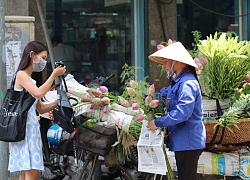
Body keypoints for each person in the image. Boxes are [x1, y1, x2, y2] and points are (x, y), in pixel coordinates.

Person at [147, 42, 206, 180]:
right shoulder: (178, 82)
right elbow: (162, 96)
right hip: (183, 141)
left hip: (188, 141)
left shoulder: (187, 83)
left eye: (166, 60)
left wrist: (158, 122)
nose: (164, 64)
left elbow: (182, 113)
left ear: (178, 61)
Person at [8, 41, 66, 180]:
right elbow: (39, 93)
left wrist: (60, 101)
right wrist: (53, 75)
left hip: (31, 129)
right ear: (32, 55)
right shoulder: (21, 75)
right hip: (24, 130)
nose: (44, 62)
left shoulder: (31, 80)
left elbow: (40, 108)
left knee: (26, 174)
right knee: (31, 172)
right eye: (43, 58)